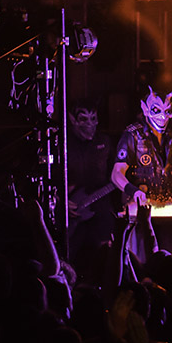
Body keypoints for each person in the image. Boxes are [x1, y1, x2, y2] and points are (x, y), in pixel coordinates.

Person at [111, 86, 172, 209]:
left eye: (167, 111)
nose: (163, 117)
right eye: (156, 110)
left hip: (168, 204)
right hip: (139, 207)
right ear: (145, 109)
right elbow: (116, 173)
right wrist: (134, 191)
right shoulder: (133, 135)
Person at [67, 99, 115, 266]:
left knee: (105, 256)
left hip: (100, 209)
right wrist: (60, 199)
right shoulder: (63, 144)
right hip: (72, 211)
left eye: (93, 119)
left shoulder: (104, 142)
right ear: (72, 120)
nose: (90, 124)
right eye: (83, 119)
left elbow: (116, 173)